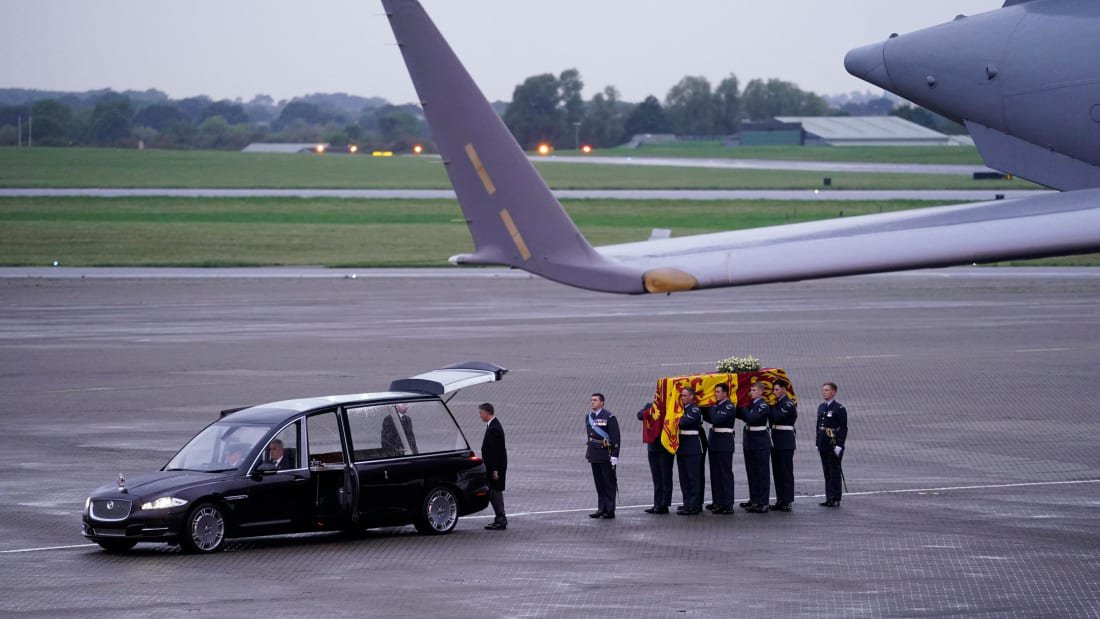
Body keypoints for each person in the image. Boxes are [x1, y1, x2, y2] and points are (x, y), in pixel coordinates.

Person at [585, 393, 620, 519]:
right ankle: (601, 508)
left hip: (606, 453)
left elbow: (616, 437)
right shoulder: (589, 417)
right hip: (594, 453)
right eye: (591, 400)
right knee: (599, 483)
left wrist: (615, 455)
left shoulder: (609, 417)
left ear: (602, 402)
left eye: (595, 400)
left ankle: (610, 509)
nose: (592, 402)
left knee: (609, 483)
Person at [738, 382, 772, 513]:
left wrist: (741, 405)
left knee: (762, 473)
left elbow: (751, 418)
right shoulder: (752, 404)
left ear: (760, 392)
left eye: (753, 390)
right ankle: (754, 500)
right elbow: (741, 415)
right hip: (750, 442)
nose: (750, 392)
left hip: (760, 443)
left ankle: (763, 502)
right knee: (752, 473)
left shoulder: (763, 406)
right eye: (750, 390)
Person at [703, 383, 736, 515]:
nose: (715, 394)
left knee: (725, 474)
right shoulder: (717, 406)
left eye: (718, 392)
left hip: (724, 443)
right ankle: (718, 501)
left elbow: (716, 419)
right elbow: (709, 418)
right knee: (715, 474)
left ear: (725, 393)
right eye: (715, 391)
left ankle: (727, 504)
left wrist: (710, 406)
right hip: (715, 442)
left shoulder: (729, 406)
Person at [816, 382, 848, 508]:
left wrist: (839, 445)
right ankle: (829, 497)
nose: (824, 392)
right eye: (823, 390)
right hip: (823, 442)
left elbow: (843, 428)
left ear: (833, 392)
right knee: (827, 472)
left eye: (827, 390)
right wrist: (817, 442)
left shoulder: (839, 409)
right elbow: (818, 426)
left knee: (834, 471)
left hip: (833, 443)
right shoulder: (821, 407)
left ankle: (836, 498)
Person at [638, 402, 673, 514]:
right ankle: (657, 503)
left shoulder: (669, 406)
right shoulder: (650, 406)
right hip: (652, 447)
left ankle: (664, 504)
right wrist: (650, 411)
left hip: (665, 447)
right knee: (656, 477)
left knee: (665, 476)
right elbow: (639, 415)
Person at [479, 403, 508, 530]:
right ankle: (499, 518)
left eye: (481, 413)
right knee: (493, 492)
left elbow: (496, 452)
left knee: (495, 492)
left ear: (487, 412)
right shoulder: (492, 425)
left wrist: (495, 470)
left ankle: (501, 519)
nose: (480, 416)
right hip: (493, 467)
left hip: (495, 468)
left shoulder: (494, 428)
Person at [675, 387, 705, 515]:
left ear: (692, 396)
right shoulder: (683, 409)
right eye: (681, 396)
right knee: (684, 478)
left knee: (693, 478)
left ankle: (694, 505)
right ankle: (687, 503)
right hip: (682, 447)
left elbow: (682, 422)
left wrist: (674, 418)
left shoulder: (694, 409)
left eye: (685, 396)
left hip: (692, 448)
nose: (683, 398)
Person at [770, 380, 797, 512]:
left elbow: (777, 417)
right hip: (776, 440)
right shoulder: (778, 403)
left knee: (786, 472)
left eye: (777, 389)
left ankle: (787, 501)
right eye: (774, 390)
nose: (774, 392)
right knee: (777, 472)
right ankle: (780, 499)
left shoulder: (788, 403)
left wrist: (770, 406)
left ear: (784, 390)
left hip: (785, 441)